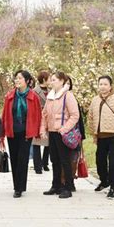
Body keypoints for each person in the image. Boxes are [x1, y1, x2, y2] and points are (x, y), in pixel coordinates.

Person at [88, 75, 114, 199]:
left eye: (105, 84)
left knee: (113, 163)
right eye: (100, 84)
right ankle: (104, 181)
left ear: (110, 86)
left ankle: (113, 187)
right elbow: (91, 118)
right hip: (101, 137)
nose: (102, 86)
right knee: (99, 161)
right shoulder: (95, 100)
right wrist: (94, 134)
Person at [1, 70, 42, 198]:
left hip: (26, 132)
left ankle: (20, 187)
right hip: (12, 132)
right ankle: (16, 186)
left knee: (22, 159)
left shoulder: (33, 96)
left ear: (27, 81)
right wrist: (2, 134)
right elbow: (5, 115)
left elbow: (38, 115)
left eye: (20, 78)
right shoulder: (10, 96)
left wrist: (38, 130)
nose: (17, 80)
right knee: (14, 158)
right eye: (16, 78)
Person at [40, 71, 80, 199]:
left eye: (54, 80)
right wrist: (43, 129)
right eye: (51, 80)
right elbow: (44, 114)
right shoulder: (50, 96)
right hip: (52, 132)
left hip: (62, 133)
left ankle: (67, 187)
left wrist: (64, 129)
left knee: (65, 161)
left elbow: (75, 115)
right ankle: (55, 185)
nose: (52, 82)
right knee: (54, 160)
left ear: (62, 81)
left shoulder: (67, 95)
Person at [32, 70, 51, 174]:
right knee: (37, 143)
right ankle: (37, 166)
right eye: (49, 78)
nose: (50, 80)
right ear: (44, 79)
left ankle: (45, 163)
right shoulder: (35, 91)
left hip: (49, 118)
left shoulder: (51, 91)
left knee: (48, 142)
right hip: (38, 118)